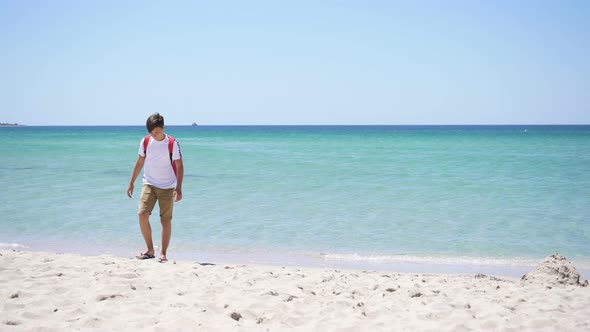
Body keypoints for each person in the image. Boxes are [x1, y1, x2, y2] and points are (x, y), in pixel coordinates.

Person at [127, 113, 184, 263]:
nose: (154, 134)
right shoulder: (145, 142)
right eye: (151, 132)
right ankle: (150, 249)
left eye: (156, 131)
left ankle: (163, 253)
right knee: (142, 214)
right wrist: (131, 182)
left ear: (163, 128)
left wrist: (179, 188)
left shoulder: (172, 143)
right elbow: (139, 162)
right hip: (149, 184)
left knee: (165, 221)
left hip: (167, 187)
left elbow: (179, 166)